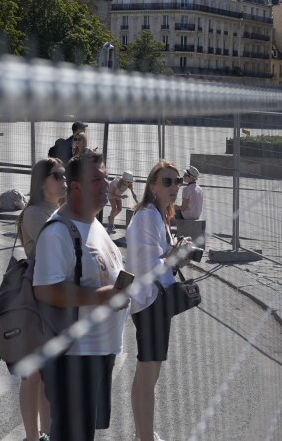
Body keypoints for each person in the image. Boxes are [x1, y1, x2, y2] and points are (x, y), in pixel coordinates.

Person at [32, 149, 130, 441]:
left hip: (99, 352)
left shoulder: (95, 224)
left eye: (107, 177)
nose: (107, 184)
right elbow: (45, 289)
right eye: (98, 180)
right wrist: (102, 297)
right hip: (74, 357)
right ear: (76, 187)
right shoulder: (58, 232)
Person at [126, 160, 195, 441]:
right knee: (148, 376)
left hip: (153, 301)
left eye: (177, 181)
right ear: (153, 186)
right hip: (150, 302)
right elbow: (149, 265)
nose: (174, 187)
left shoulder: (156, 215)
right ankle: (145, 437)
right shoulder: (146, 217)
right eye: (167, 182)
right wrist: (174, 252)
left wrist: (176, 250)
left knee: (146, 374)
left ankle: (143, 432)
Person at [14, 157, 68, 441]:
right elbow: (60, 247)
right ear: (42, 181)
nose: (64, 180)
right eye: (57, 175)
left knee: (48, 375)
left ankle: (47, 434)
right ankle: (33, 437)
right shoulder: (35, 213)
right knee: (33, 374)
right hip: (36, 302)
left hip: (55, 300)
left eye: (64, 175)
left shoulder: (58, 210)